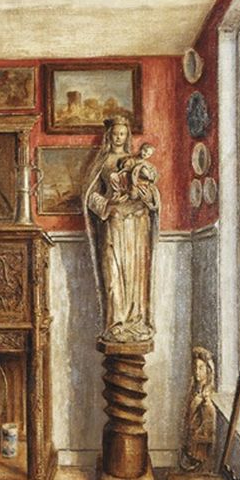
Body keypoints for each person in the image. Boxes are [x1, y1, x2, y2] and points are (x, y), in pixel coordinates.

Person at [83, 116, 160, 343]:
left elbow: (151, 190)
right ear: (109, 136)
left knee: (136, 273)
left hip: (137, 222)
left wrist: (148, 195)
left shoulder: (136, 161)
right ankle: (115, 323)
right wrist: (108, 204)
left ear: (128, 136)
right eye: (115, 133)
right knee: (113, 273)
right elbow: (89, 196)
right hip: (114, 222)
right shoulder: (102, 161)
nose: (119, 137)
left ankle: (136, 321)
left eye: (123, 134)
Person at [181, 346, 216, 472]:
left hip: (199, 443)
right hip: (191, 437)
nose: (197, 371)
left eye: (201, 368)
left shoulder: (206, 396)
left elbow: (208, 422)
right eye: (195, 367)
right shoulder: (194, 389)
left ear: (208, 370)